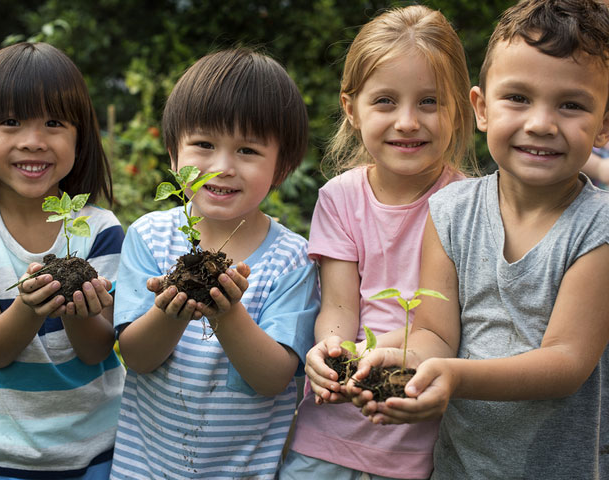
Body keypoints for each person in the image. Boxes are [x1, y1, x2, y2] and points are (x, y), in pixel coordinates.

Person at [351, 0, 609, 478]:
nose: (541, 123)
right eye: (518, 98)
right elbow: (435, 333)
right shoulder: (450, 211)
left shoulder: (599, 227)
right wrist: (388, 359)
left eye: (571, 105)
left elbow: (566, 362)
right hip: (461, 467)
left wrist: (453, 377)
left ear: (605, 123)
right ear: (482, 108)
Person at [279, 5, 476, 480]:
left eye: (429, 102)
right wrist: (330, 350)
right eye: (385, 101)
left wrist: (370, 357)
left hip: (412, 435)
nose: (407, 121)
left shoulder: (467, 204)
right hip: (329, 431)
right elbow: (340, 304)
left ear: (459, 108)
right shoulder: (340, 197)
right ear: (352, 108)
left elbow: (438, 332)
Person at [109, 48, 319, 479]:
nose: (222, 168)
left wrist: (228, 313)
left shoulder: (292, 260)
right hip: (145, 470)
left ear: (282, 167)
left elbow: (273, 378)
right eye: (204, 145)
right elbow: (137, 356)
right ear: (173, 155)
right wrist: (171, 311)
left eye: (247, 150)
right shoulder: (149, 237)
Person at [0, 42, 125, 479]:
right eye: (11, 122)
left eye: (54, 123)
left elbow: (95, 348)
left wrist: (76, 308)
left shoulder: (101, 230)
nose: (33, 142)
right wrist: (30, 305)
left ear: (80, 135)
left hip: (94, 455)